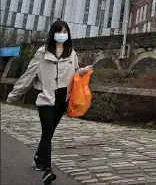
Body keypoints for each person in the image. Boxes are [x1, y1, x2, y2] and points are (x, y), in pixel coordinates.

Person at [6, 20, 93, 184]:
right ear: (53, 34)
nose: (63, 35)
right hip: (46, 98)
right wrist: (14, 95)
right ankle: (47, 170)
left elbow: (74, 73)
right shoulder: (42, 53)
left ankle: (39, 158)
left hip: (62, 100)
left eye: (65, 32)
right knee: (47, 132)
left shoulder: (71, 53)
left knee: (49, 133)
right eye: (59, 32)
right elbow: (29, 75)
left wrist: (83, 71)